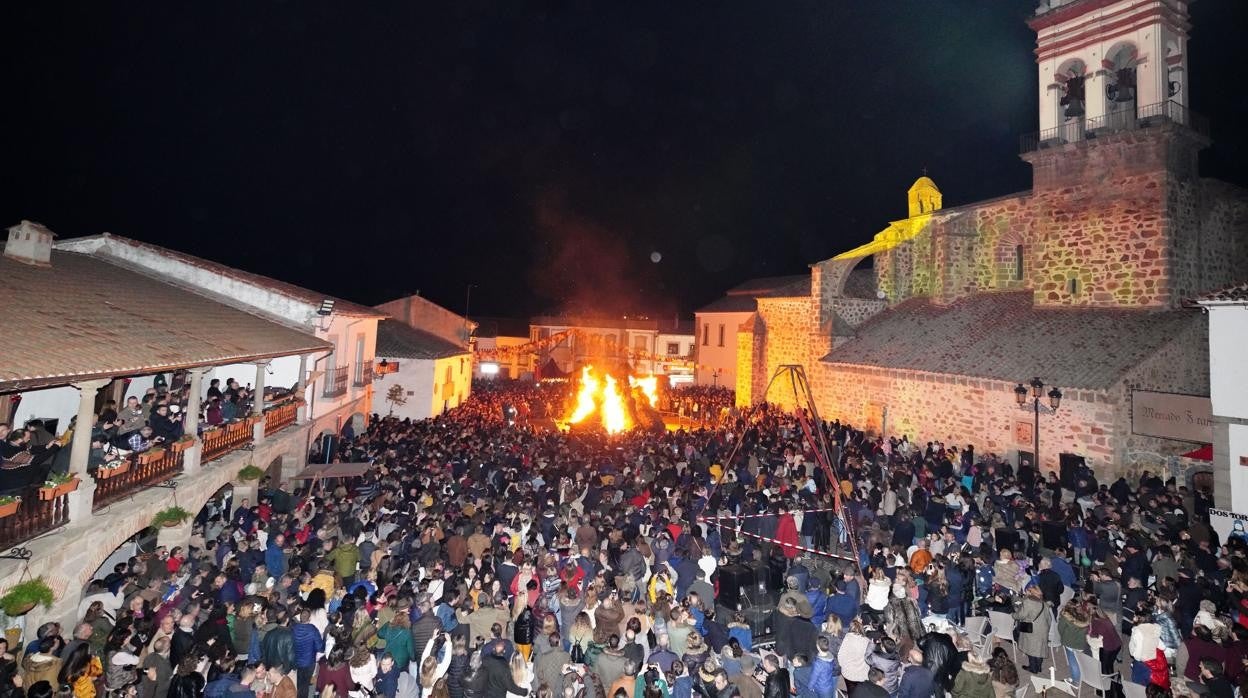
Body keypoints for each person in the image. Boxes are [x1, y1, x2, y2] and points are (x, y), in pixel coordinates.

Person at [1012, 585, 1051, 673]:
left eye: (1027, 591)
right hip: (1043, 628)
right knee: (1040, 648)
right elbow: (1049, 619)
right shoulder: (1044, 603)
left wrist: (1013, 614)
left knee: (1031, 648)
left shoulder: (1028, 602)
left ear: (1030, 592)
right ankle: (1039, 667)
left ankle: (1033, 668)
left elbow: (1021, 615)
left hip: (1031, 629)